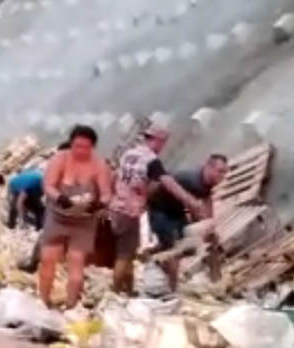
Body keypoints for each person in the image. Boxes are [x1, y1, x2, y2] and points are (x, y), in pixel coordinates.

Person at [107, 126, 207, 295]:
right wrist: (191, 202)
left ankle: (128, 290)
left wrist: (110, 199)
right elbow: (169, 183)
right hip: (130, 211)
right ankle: (115, 293)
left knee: (128, 251)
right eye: (163, 143)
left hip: (117, 207)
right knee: (124, 255)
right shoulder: (151, 160)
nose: (163, 147)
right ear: (157, 140)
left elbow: (115, 177)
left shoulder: (128, 154)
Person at [38, 125, 113, 308]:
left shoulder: (99, 166)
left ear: (92, 147)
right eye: (77, 146)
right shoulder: (60, 159)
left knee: (76, 264)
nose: (80, 151)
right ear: (71, 144)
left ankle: (71, 306)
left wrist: (100, 204)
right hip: (58, 216)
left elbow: (106, 193)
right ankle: (43, 301)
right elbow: (48, 185)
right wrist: (59, 197)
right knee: (48, 259)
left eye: (85, 147)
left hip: (84, 221)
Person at [147, 154, 229, 290]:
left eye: (225, 172)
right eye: (220, 171)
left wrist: (209, 227)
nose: (222, 177)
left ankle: (157, 254)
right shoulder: (188, 177)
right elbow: (163, 187)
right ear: (208, 167)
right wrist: (195, 211)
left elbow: (206, 201)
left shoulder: (206, 183)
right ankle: (171, 291)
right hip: (160, 211)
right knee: (173, 249)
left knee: (190, 247)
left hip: (177, 212)